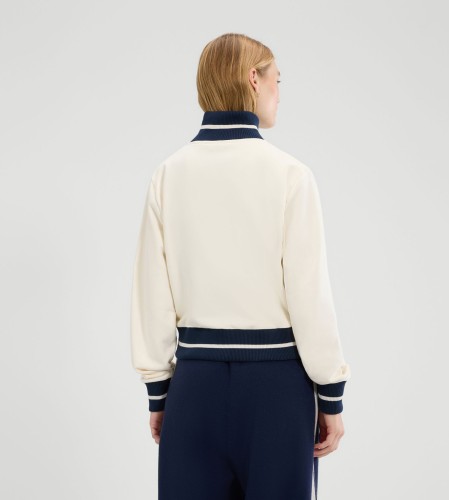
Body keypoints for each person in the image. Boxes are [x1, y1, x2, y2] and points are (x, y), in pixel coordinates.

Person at [130, 32, 351, 500]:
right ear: (254, 79)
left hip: (194, 387)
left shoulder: (168, 175)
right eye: (276, 80)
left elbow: (152, 293)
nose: (278, 92)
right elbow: (310, 296)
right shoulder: (291, 176)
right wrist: (331, 395)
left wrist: (159, 391)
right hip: (278, 389)